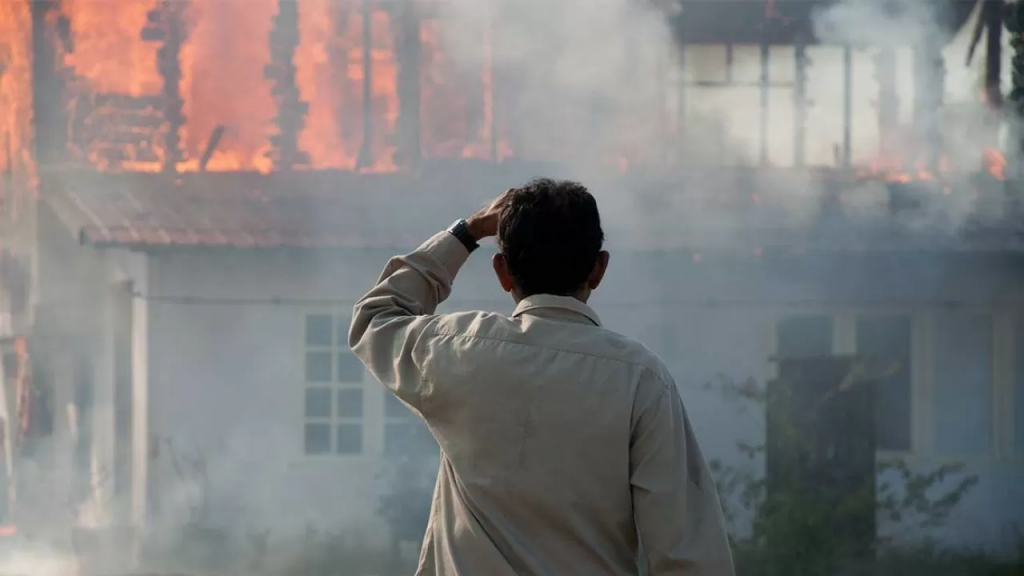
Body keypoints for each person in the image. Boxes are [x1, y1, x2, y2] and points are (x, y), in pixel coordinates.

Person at [349, 179, 734, 575]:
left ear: (503, 272)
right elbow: (689, 556)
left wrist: (468, 232)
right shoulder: (641, 380)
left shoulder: (456, 349)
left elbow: (377, 316)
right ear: (598, 268)